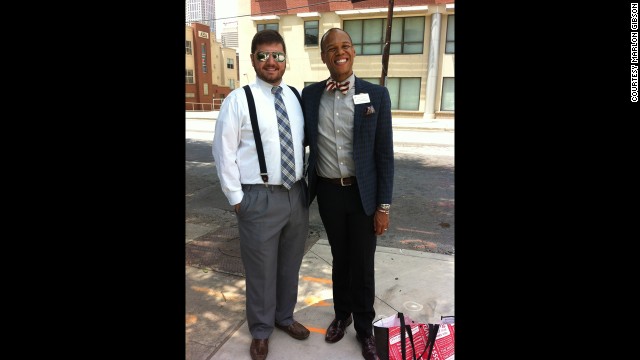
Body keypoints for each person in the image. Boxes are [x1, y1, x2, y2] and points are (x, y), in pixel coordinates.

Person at [212, 29, 310, 360]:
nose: (271, 61)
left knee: (289, 265)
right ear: (253, 58)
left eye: (278, 55)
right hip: (258, 196)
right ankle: (261, 330)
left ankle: (284, 317)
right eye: (264, 55)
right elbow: (223, 152)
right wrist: (237, 198)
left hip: (295, 195)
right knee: (261, 269)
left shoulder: (295, 96)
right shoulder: (237, 100)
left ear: (285, 60)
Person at [301, 28, 394, 360]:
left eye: (345, 46)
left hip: (363, 195)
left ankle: (365, 329)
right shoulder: (310, 96)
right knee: (340, 259)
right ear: (324, 55)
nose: (339, 52)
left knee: (362, 262)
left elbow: (384, 155)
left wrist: (383, 206)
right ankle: (342, 315)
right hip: (328, 193)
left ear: (353, 52)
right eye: (331, 48)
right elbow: (299, 143)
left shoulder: (376, 95)